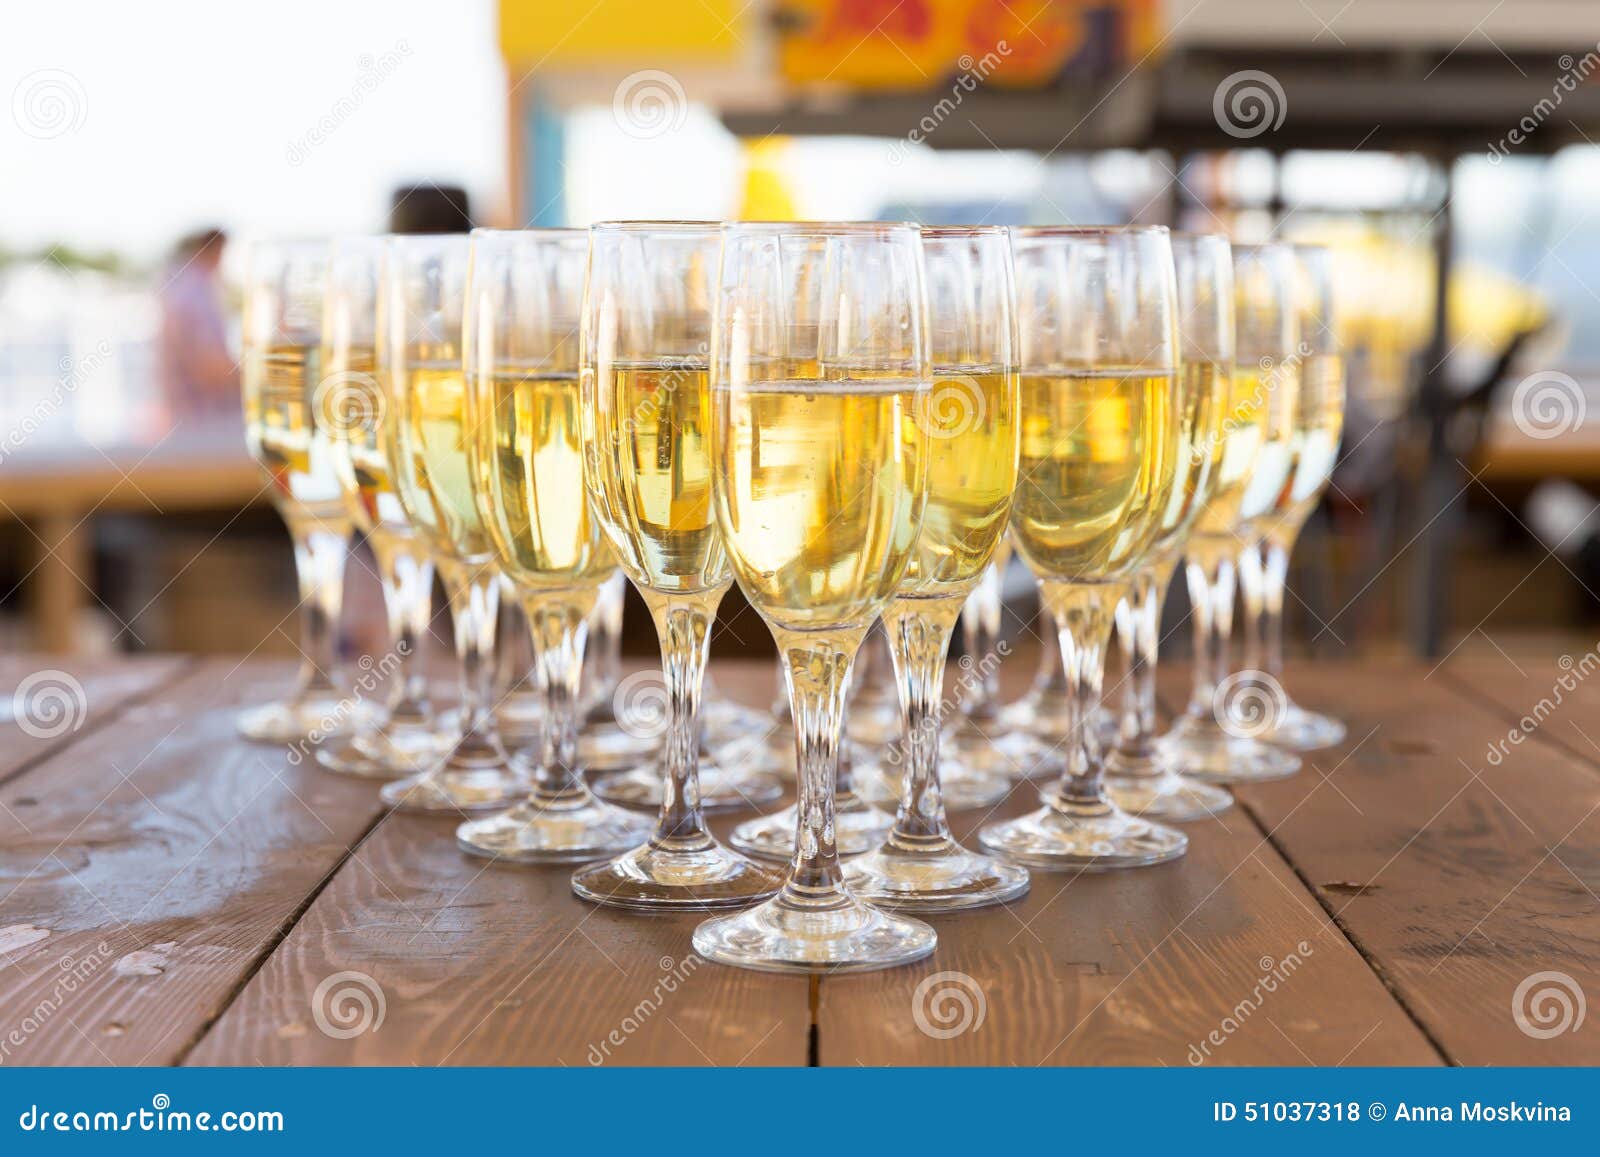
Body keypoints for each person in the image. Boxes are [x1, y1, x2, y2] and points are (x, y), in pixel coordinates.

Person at [157, 227, 237, 423]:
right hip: (201, 423)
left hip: (185, 420)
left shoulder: (179, 287)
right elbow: (209, 370)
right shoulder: (195, 294)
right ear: (216, 250)